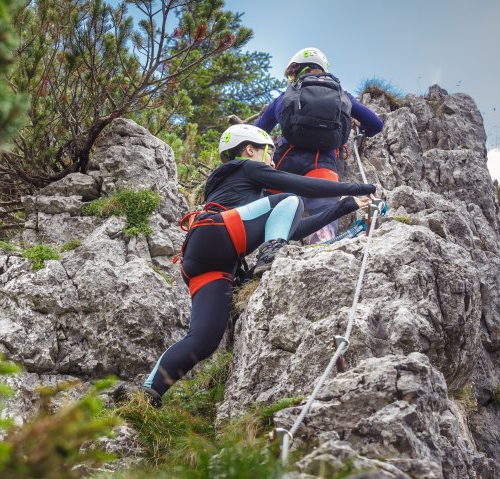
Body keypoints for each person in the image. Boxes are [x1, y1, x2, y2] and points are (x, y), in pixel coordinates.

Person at [140, 124, 377, 407]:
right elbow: (301, 188)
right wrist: (359, 186)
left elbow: (294, 228)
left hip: (205, 258)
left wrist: (344, 206)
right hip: (222, 233)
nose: (272, 161)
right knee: (291, 198)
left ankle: (148, 394)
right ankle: (271, 253)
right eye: (269, 152)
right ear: (250, 149)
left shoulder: (235, 185)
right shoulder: (246, 167)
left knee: (204, 338)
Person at [254, 47, 384, 244]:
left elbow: (257, 132)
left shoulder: (286, 95)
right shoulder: (342, 95)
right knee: (324, 215)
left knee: (270, 210)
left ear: (297, 71)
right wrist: (361, 129)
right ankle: (321, 241)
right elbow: (376, 124)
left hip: (285, 163)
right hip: (322, 164)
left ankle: (267, 249)